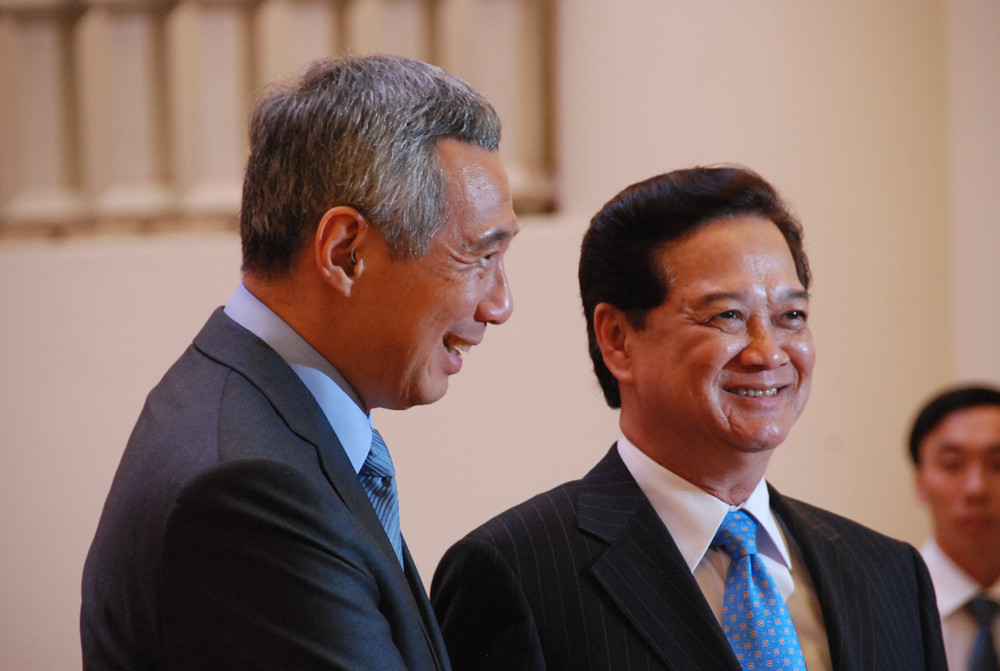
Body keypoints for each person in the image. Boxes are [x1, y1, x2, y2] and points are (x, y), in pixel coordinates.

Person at [81, 55, 517, 671]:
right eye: (481, 257)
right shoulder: (247, 489)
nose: (501, 305)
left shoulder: (246, 407)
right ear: (345, 253)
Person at [431, 166, 946, 671]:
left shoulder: (891, 574)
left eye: (791, 317)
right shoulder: (516, 572)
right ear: (618, 340)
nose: (768, 352)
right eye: (727, 316)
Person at [910, 385, 1000, 670]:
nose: (976, 489)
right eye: (952, 464)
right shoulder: (881, 607)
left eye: (998, 465)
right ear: (920, 481)